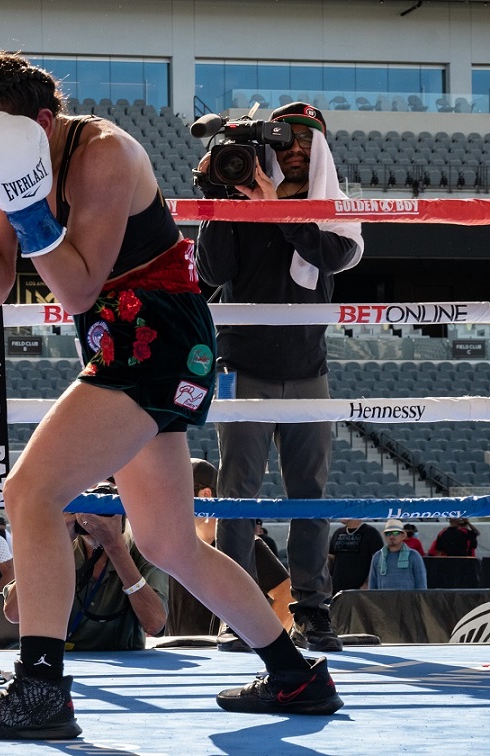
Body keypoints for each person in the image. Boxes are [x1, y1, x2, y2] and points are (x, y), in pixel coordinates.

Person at [0, 53, 342, 740]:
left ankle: (41, 688)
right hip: (118, 342)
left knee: (29, 493)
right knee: (169, 540)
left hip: (162, 334)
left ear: (42, 124)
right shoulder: (3, 165)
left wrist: (25, 203)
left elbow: (78, 287)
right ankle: (296, 673)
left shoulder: (104, 151)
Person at [194, 101, 362, 656]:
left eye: (305, 146)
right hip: (242, 369)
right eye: (286, 142)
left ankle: (312, 611)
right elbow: (212, 275)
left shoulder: (327, 209)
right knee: (237, 494)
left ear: (319, 155)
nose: (294, 152)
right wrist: (219, 202)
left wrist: (279, 212)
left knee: (309, 497)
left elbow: (336, 255)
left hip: (308, 370)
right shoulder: (238, 203)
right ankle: (239, 614)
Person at [2, 508, 168, 652]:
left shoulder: (145, 551)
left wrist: (115, 547)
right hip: (61, 660)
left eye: (106, 506)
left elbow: (154, 623)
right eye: (88, 503)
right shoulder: (55, 544)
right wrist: (58, 541)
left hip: (127, 659)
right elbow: (14, 613)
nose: (95, 516)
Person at [166, 459, 293, 643]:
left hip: (223, 661)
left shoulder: (244, 546)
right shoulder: (174, 546)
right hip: (183, 658)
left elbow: (287, 596)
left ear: (206, 495)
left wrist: (265, 648)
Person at [369, 518, 427, 590]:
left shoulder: (414, 556)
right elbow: (372, 587)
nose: (391, 536)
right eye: (388, 533)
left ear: (403, 535)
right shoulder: (377, 557)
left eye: (395, 533)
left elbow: (421, 586)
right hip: (384, 601)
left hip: (407, 601)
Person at [328, 519, 384, 593]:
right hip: (337, 588)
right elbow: (331, 558)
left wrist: (368, 583)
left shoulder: (371, 533)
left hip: (359, 589)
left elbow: (378, 561)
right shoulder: (338, 532)